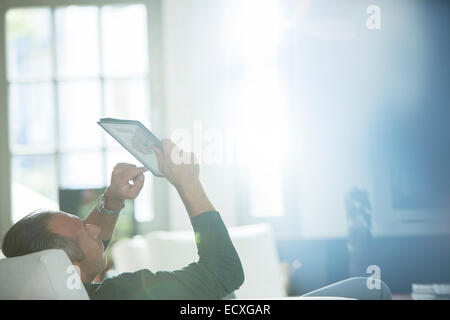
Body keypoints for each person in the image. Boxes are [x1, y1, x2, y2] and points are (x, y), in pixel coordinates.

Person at [2, 139, 392, 300]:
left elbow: (84, 253)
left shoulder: (68, 289)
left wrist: (112, 199)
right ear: (69, 266)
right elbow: (225, 271)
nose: (94, 228)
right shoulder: (126, 293)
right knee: (370, 289)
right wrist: (188, 185)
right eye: (83, 229)